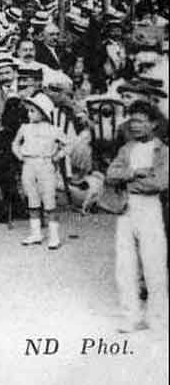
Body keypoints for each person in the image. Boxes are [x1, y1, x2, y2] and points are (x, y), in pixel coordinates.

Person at [104, 101, 168, 333]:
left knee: (154, 263)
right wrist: (135, 173)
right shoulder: (126, 149)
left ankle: (158, 317)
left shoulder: (163, 151)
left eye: (141, 121)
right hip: (126, 210)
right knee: (125, 264)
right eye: (132, 121)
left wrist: (128, 182)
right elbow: (111, 174)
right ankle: (130, 315)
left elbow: (159, 182)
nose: (135, 125)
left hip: (150, 209)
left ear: (154, 124)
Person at [11, 92, 67, 249]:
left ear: (43, 113)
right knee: (32, 197)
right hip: (29, 164)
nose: (29, 114)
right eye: (28, 111)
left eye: (33, 111)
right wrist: (19, 155)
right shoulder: (24, 128)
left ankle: (54, 236)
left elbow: (68, 144)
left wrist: (57, 156)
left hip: (45, 164)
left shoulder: (53, 130)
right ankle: (36, 233)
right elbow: (15, 143)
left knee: (48, 199)